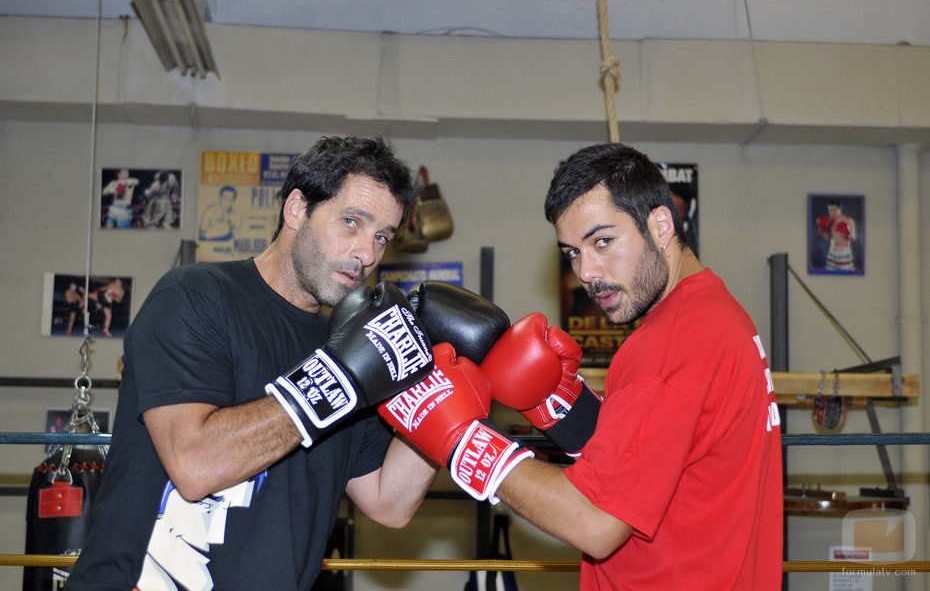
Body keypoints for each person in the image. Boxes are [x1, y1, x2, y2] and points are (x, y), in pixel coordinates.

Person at [381, 142, 783, 589]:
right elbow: (653, 468)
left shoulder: (669, 343)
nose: (586, 271)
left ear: (661, 225)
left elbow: (595, 524)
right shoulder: (718, 316)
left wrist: (463, 440)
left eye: (603, 241)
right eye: (572, 251)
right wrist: (565, 408)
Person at [67, 136, 445, 590]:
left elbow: (389, 504)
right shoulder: (194, 296)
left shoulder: (347, 344)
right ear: (297, 209)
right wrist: (337, 380)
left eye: (381, 236)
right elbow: (194, 466)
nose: (367, 253)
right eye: (351, 222)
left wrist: (444, 390)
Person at [818, 201, 857, 271]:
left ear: (840, 209)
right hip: (832, 251)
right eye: (830, 210)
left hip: (843, 252)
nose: (832, 212)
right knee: (830, 273)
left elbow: (853, 238)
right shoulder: (830, 221)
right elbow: (826, 236)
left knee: (845, 274)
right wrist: (822, 228)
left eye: (834, 210)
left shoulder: (848, 221)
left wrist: (845, 234)